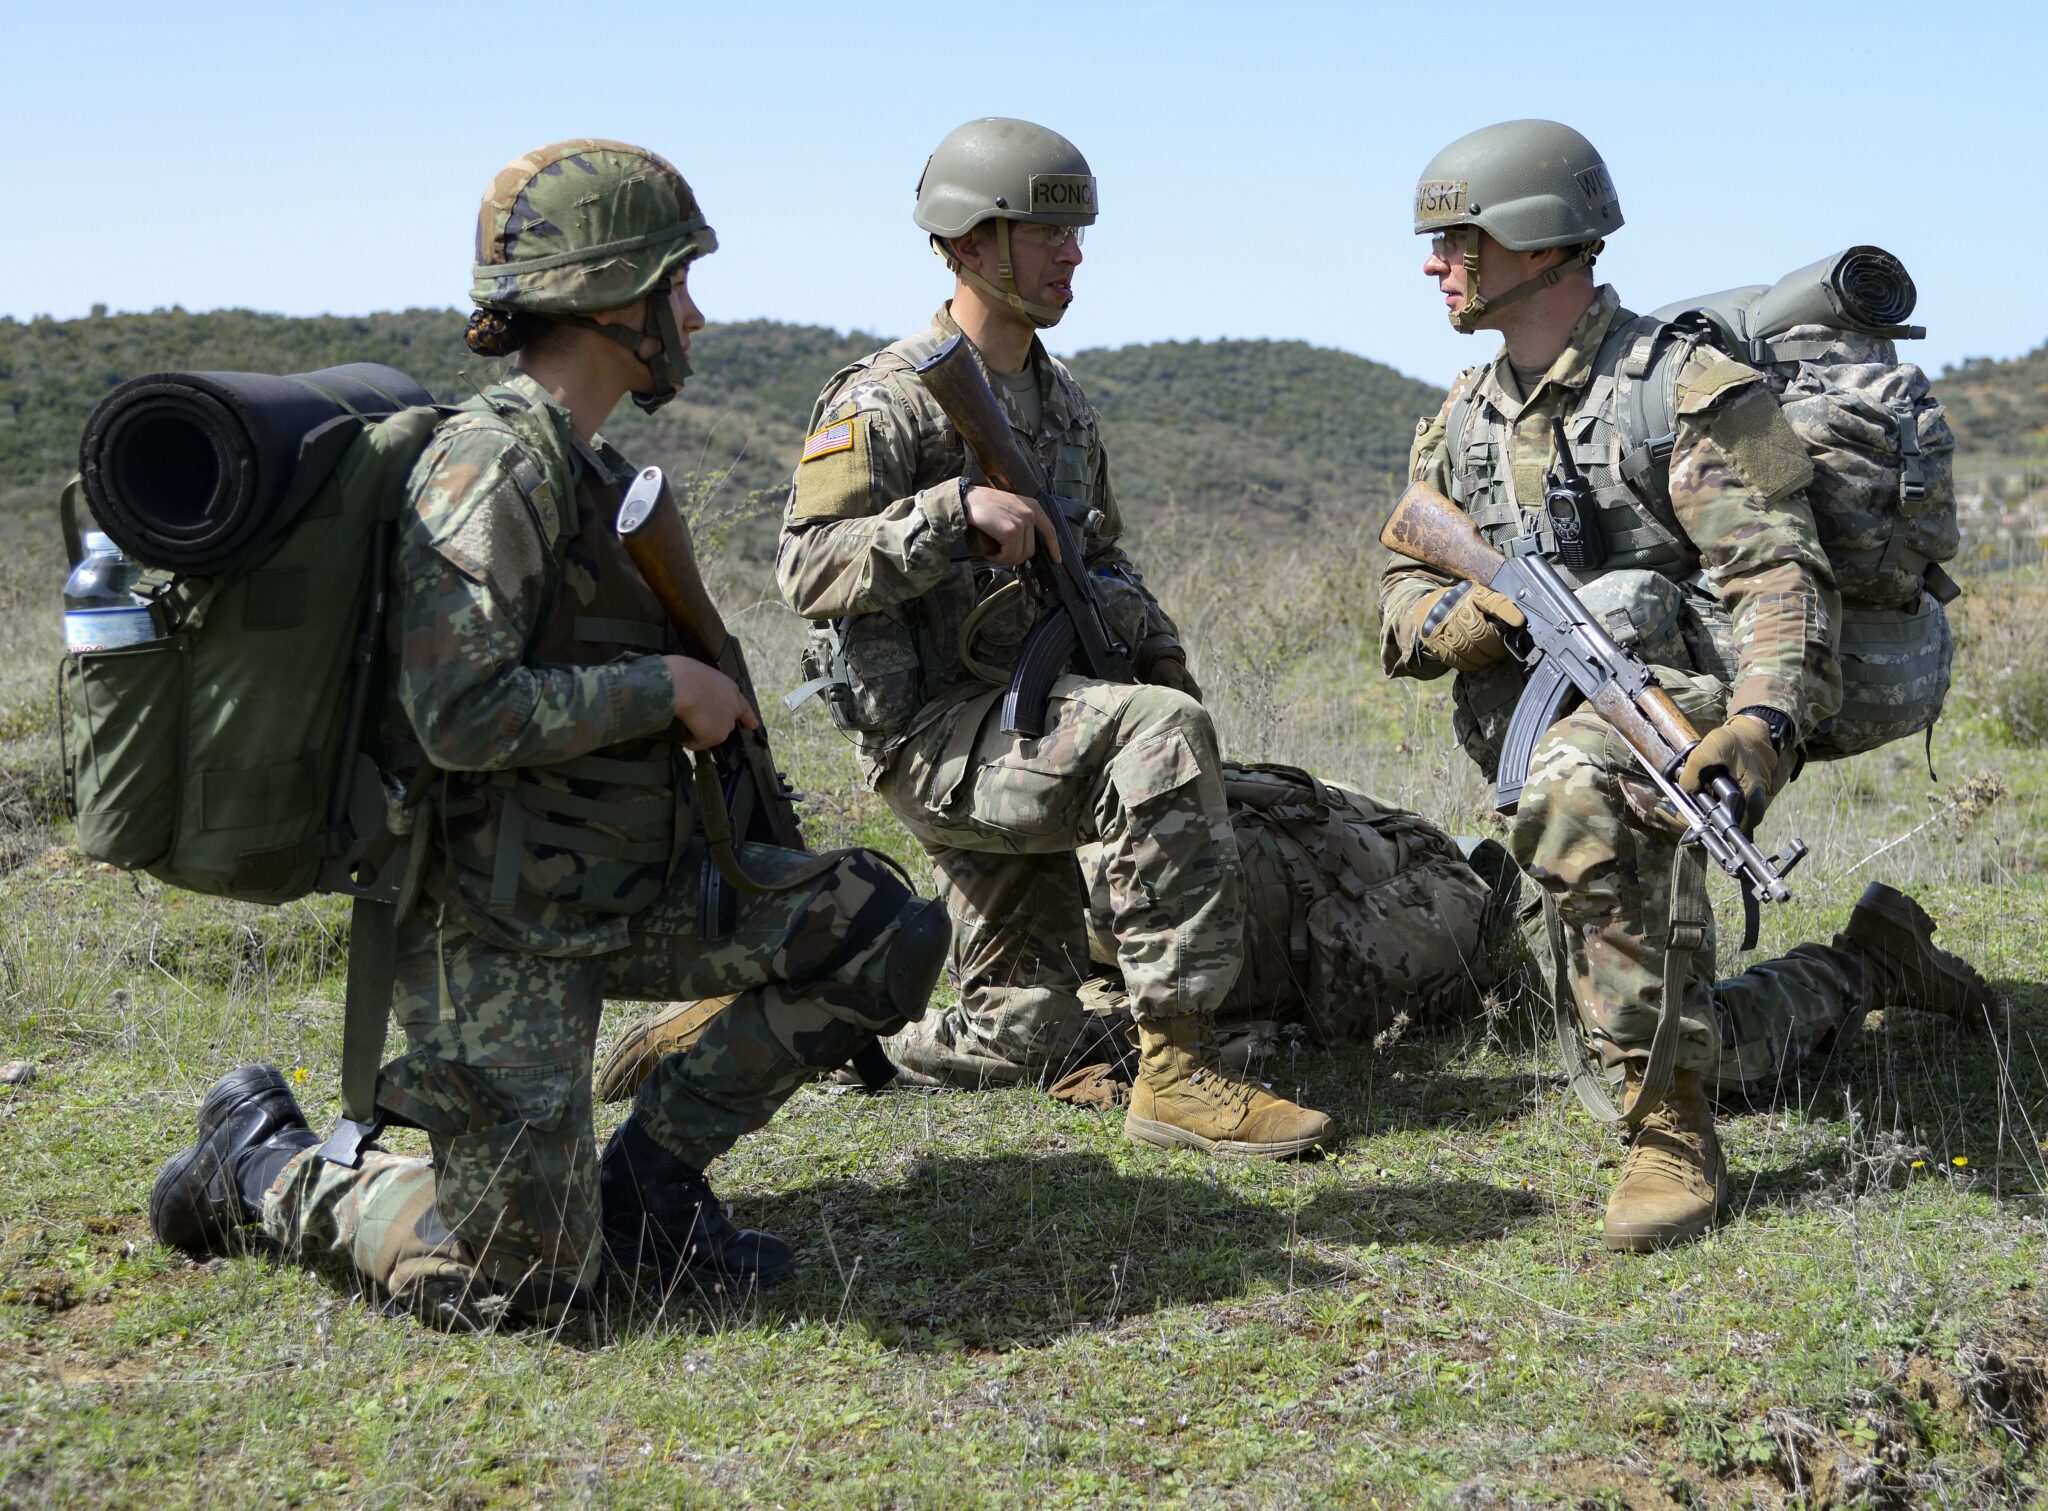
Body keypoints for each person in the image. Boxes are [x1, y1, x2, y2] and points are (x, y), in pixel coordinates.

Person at [147, 139, 949, 1328]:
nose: (697, 314)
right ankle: (265, 1162)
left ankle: (647, 1190)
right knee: (520, 1293)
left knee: (876, 927)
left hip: (613, 879)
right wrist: (665, 686)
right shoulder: (492, 468)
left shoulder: (583, 462)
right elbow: (460, 715)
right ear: (613, 298)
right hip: (496, 925)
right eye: (678, 286)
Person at [642, 116, 1331, 1159]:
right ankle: (1180, 1071)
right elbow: (804, 567)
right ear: (968, 244)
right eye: (1045, 234)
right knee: (1155, 733)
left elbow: (1102, 555)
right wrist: (947, 514)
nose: (1072, 254)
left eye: (1075, 233)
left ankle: (769, 1017)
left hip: (1033, 723)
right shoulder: (886, 401)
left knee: (1032, 1031)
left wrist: (1147, 640)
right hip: (935, 738)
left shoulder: (1060, 402)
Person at [1382, 119, 1995, 1250]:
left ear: (1529, 239)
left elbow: (1776, 575)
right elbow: (1397, 592)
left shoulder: (1682, 389)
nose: (1433, 263)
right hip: (1564, 710)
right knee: (1634, 1039)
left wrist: (1761, 721)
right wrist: (1462, 615)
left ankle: (1669, 1134)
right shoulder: (1461, 418)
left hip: (1689, 698)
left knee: (1576, 790)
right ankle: (1861, 964)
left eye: (1453, 238)